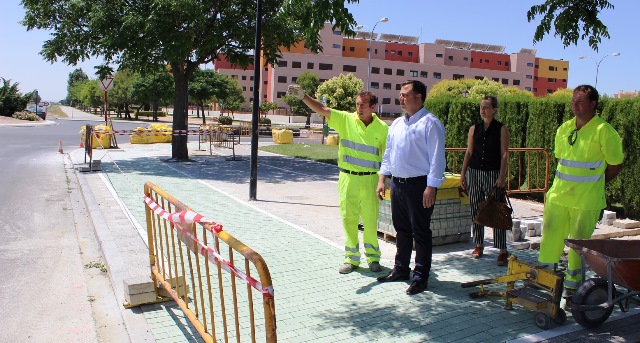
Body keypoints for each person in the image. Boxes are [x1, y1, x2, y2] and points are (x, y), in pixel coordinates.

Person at [287, 84, 389, 274]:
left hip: (370, 180)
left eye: (364, 105)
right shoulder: (345, 119)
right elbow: (322, 109)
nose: (359, 108)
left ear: (373, 107)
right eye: (358, 104)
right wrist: (304, 96)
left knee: (370, 221)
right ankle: (351, 259)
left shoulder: (383, 129)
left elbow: (387, 158)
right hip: (347, 179)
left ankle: (373, 259)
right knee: (348, 219)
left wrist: (383, 180)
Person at [538, 85, 623, 299]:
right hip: (559, 196)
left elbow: (615, 164)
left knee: (578, 244)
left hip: (586, 200)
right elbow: (562, 162)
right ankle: (546, 278)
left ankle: (572, 286)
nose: (575, 106)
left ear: (593, 104)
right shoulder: (565, 128)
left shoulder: (604, 131)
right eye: (573, 101)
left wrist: (596, 184)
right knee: (550, 237)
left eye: (581, 102)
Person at [375, 80, 446, 295]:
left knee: (421, 232)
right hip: (398, 184)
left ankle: (420, 277)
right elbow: (388, 154)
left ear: (419, 97)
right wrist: (382, 179)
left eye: (405, 94)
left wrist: (431, 187)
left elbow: (437, 158)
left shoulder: (430, 123)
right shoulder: (396, 124)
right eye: (401, 94)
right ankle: (401, 269)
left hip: (419, 186)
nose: (401, 98)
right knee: (402, 230)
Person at [460, 96, 510, 266]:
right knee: (476, 208)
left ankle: (502, 249)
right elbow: (469, 152)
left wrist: (501, 177)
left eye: (487, 107)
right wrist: (462, 174)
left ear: (494, 109)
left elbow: (504, 154)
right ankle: (479, 244)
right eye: (481, 107)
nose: (483, 110)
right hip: (474, 173)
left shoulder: (501, 129)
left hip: (493, 174)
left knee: (497, 210)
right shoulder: (474, 128)